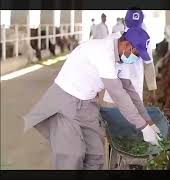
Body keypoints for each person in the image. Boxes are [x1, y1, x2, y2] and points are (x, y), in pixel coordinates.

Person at [23, 27, 161, 170]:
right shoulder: (104, 53)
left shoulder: (120, 58)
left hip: (87, 105)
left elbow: (130, 92)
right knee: (71, 155)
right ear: (127, 45)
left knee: (95, 154)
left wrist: (148, 122)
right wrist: (142, 126)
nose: (136, 59)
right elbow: (119, 95)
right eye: (136, 54)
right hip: (66, 102)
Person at [103, 10, 157, 107]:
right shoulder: (111, 40)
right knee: (112, 118)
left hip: (134, 91)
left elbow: (148, 65)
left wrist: (152, 90)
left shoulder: (145, 41)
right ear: (124, 22)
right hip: (113, 95)